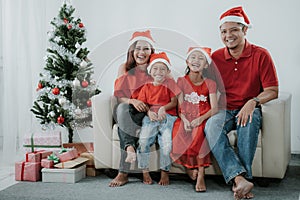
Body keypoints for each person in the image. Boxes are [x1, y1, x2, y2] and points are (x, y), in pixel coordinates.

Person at [204, 6, 279, 199]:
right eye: (223, 31)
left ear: (244, 30)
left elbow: (272, 90)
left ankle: (241, 180)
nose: (228, 35)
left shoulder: (261, 55)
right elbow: (208, 88)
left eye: (233, 30)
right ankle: (241, 180)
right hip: (224, 109)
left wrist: (253, 101)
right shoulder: (216, 57)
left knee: (248, 121)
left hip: (250, 108)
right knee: (211, 126)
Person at [109, 30, 155, 187]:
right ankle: (129, 147)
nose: (141, 52)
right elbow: (119, 95)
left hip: (145, 113)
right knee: (122, 109)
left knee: (125, 125)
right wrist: (133, 101)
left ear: (151, 52)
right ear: (132, 51)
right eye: (138, 48)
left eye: (146, 49)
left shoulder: (156, 69)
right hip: (127, 108)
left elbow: (165, 92)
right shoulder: (124, 68)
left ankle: (123, 173)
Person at [171, 47, 218, 192]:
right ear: (187, 61)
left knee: (198, 135)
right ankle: (188, 168)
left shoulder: (210, 83)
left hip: (202, 117)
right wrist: (184, 120)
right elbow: (179, 107)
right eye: (193, 57)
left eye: (200, 58)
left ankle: (200, 174)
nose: (196, 60)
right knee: (178, 134)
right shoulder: (181, 81)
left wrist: (200, 119)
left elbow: (215, 108)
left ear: (205, 65)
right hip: (186, 117)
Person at [137, 52, 181, 186]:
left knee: (166, 143)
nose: (159, 72)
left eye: (163, 69)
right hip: (152, 117)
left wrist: (163, 108)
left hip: (167, 116)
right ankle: (145, 171)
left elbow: (174, 102)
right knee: (143, 141)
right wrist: (149, 111)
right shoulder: (146, 87)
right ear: (150, 71)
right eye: (155, 68)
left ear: (167, 71)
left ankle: (165, 172)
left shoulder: (170, 83)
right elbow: (143, 104)